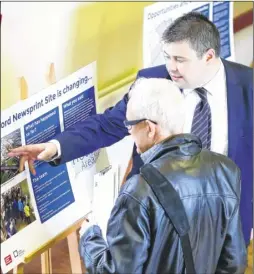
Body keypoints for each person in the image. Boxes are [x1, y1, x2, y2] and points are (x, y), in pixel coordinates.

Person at [8, 12, 253, 244]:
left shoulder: (247, 87)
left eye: (180, 59)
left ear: (209, 56)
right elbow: (107, 125)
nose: (171, 67)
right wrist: (55, 146)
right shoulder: (151, 82)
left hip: (225, 220)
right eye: (167, 56)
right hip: (158, 222)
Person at [78, 78, 246, 273]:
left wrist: (90, 238)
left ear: (149, 128)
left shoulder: (139, 190)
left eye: (130, 125)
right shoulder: (225, 170)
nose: (130, 133)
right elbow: (234, 262)